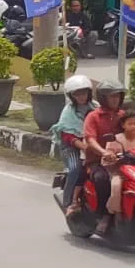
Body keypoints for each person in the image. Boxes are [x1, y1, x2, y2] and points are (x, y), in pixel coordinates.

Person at [84, 80, 129, 231]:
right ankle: (104, 214)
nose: (115, 99)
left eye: (118, 96)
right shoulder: (93, 116)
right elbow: (90, 139)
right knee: (101, 179)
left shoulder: (123, 116)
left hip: (122, 160)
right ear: (103, 98)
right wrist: (104, 152)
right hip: (97, 162)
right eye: (111, 96)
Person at [51, 74, 96, 214]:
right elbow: (67, 135)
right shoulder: (68, 112)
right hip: (71, 147)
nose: (81, 96)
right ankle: (68, 201)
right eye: (77, 94)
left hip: (92, 145)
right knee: (75, 169)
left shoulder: (96, 107)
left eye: (84, 93)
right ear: (71, 96)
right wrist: (84, 147)